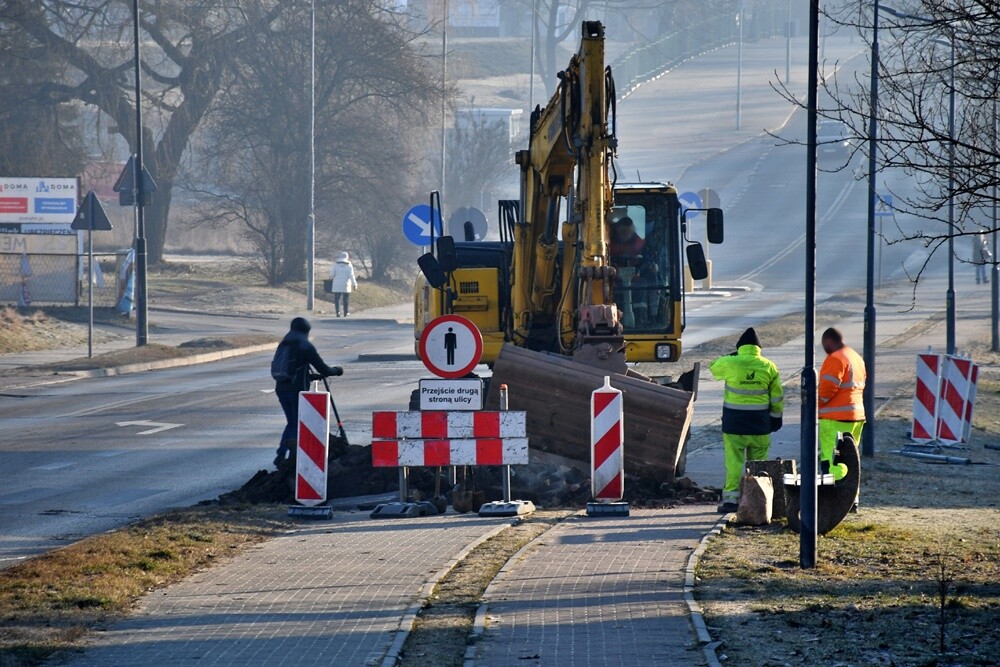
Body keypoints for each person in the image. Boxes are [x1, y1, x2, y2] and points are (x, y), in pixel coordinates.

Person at [709, 327, 784, 513]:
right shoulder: (769, 366)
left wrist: (733, 356)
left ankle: (731, 501)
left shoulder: (730, 363)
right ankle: (758, 502)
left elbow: (713, 367)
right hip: (760, 426)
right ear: (758, 348)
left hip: (734, 425)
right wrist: (776, 419)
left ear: (740, 348)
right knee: (758, 465)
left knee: (734, 463)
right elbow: (777, 398)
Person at [271, 317, 343, 467]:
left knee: (291, 422)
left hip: (281, 389)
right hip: (296, 391)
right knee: (297, 422)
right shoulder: (305, 345)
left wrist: (310, 376)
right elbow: (323, 368)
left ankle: (282, 453)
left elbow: (292, 369)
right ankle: (292, 456)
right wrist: (337, 371)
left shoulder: (284, 343)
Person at [818, 327, 866, 481]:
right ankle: (853, 500)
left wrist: (814, 403)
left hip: (835, 418)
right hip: (856, 416)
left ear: (828, 341)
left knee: (831, 460)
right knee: (851, 459)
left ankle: (834, 496)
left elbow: (826, 391)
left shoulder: (835, 358)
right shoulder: (855, 357)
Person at [329, 251, 358, 317]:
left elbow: (332, 274)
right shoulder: (349, 265)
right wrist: (354, 284)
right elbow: (351, 275)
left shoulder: (335, 264)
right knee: (346, 298)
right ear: (347, 257)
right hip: (346, 284)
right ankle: (346, 312)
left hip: (337, 284)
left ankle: (338, 312)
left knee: (337, 298)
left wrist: (330, 277)